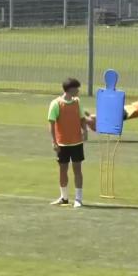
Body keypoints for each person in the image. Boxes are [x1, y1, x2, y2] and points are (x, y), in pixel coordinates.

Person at [48, 78, 88, 208]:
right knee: (63, 170)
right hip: (62, 144)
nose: (78, 91)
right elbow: (52, 124)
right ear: (71, 89)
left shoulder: (77, 102)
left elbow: (82, 118)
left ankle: (78, 199)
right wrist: (54, 142)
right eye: (77, 88)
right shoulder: (56, 104)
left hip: (76, 143)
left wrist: (85, 130)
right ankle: (64, 198)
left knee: (77, 170)